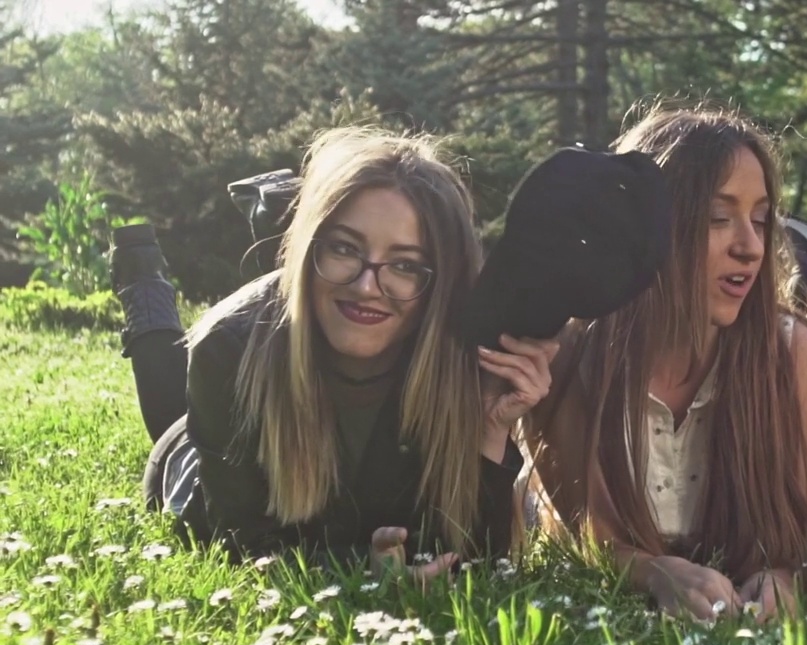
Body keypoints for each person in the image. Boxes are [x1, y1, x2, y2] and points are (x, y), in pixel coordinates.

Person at [110, 127, 558, 580]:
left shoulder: (465, 355)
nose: (367, 287)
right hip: (200, 460)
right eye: (343, 247)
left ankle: (286, 212)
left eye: (405, 265)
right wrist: (362, 572)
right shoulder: (227, 348)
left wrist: (490, 429)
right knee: (169, 412)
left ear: (439, 284)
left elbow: (483, 558)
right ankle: (141, 276)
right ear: (310, 247)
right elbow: (248, 548)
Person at [523, 106, 807, 622]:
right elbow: (586, 539)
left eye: (760, 220)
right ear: (647, 228)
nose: (750, 246)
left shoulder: (795, 356)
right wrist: (655, 572)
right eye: (717, 218)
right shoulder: (572, 355)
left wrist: (778, 578)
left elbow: (790, 544)